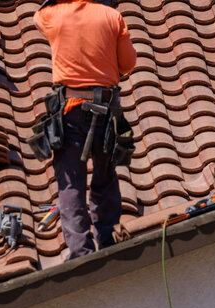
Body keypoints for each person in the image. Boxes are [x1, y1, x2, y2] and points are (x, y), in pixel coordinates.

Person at [34, 0, 137, 258]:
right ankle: (108, 240)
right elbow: (127, 64)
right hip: (106, 108)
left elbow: (38, 16)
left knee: (71, 181)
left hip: (71, 109)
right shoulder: (112, 17)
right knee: (105, 176)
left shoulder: (51, 15)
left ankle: (81, 251)